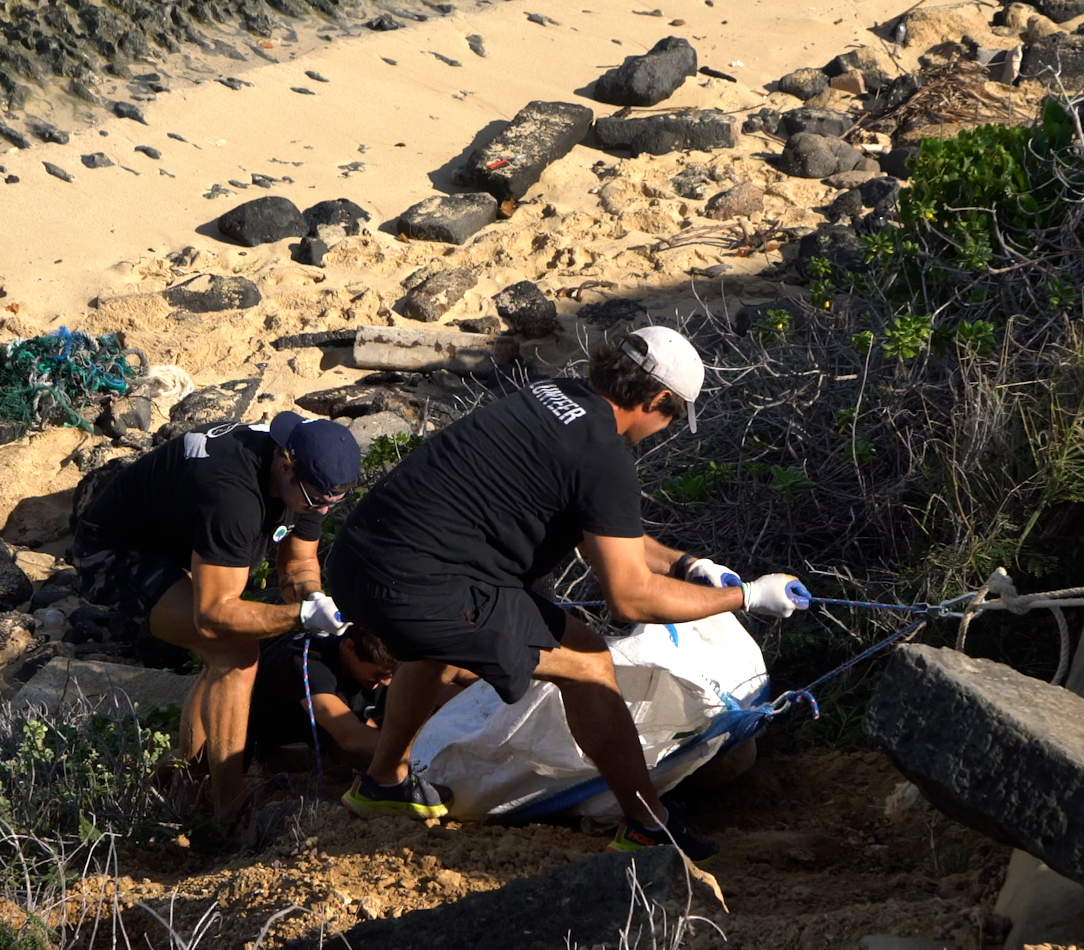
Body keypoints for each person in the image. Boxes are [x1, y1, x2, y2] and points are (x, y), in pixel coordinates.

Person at [325, 326, 809, 861]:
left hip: (355, 561)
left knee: (432, 641)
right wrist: (748, 598)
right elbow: (630, 597)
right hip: (420, 585)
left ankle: (383, 784)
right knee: (590, 663)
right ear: (657, 399)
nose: (663, 430)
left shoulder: (550, 395)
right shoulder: (604, 453)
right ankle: (649, 825)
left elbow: (600, 532)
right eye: (670, 418)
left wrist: (688, 564)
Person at [72, 409, 361, 814]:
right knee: (235, 654)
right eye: (315, 500)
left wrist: (312, 598)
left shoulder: (310, 481)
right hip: (113, 551)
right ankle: (229, 807)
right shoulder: (234, 497)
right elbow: (212, 615)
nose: (322, 510)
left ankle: (186, 779)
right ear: (285, 465)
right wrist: (298, 618)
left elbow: (297, 564)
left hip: (173, 538)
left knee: (228, 653)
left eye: (334, 501)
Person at [247, 628, 396, 769]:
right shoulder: (310, 668)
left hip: (341, 719)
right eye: (379, 674)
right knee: (365, 762)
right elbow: (350, 736)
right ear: (350, 647)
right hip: (283, 739)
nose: (386, 681)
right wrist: (410, 753)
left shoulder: (363, 661)